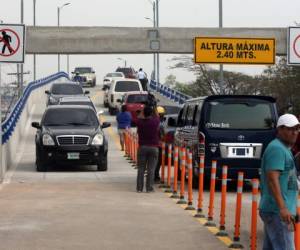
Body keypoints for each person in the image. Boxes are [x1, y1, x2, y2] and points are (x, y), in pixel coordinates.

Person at [259, 114, 300, 250]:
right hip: (277, 211)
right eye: (290, 129)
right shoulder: (277, 149)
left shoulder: (284, 149)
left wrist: (292, 207)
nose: (294, 132)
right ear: (280, 130)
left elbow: (288, 180)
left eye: (297, 128)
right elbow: (272, 179)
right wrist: (283, 208)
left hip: (279, 210)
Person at [136, 106, 160, 193]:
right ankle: (149, 188)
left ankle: (139, 188)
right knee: (151, 169)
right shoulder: (155, 121)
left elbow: (138, 117)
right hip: (154, 148)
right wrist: (153, 108)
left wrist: (142, 111)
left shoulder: (140, 122)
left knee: (141, 169)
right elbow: (157, 115)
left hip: (142, 147)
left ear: (144, 113)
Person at [154, 106, 166, 183]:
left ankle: (153, 175)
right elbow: (162, 136)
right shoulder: (161, 124)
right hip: (158, 145)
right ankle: (156, 176)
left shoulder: (152, 121)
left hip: (151, 144)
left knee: (153, 161)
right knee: (158, 161)